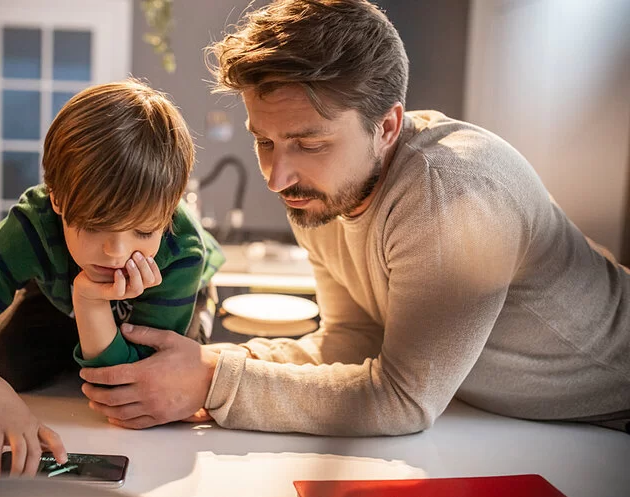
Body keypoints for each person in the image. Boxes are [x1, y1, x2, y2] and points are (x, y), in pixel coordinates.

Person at [78, 0, 630, 435]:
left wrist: (210, 384)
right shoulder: (318, 192)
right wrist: (210, 362)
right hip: (526, 422)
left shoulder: (451, 193)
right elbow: (353, 339)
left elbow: (403, 398)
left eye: (309, 143)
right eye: (264, 142)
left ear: (387, 126)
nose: (276, 176)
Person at [0, 79, 225, 477]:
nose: (118, 253)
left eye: (143, 232)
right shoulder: (32, 226)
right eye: (94, 227)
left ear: (169, 211)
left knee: (153, 393)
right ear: (56, 197)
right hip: (61, 291)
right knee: (2, 359)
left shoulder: (179, 248)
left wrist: (91, 301)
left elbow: (125, 392)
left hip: (174, 293)